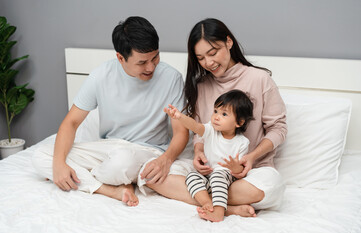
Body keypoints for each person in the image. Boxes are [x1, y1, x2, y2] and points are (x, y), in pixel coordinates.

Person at [31, 16, 190, 207]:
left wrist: (166, 159)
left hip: (147, 151)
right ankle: (111, 189)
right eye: (142, 62)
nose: (151, 67)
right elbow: (71, 122)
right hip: (109, 148)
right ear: (120, 58)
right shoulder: (100, 76)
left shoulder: (171, 78)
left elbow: (181, 132)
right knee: (41, 155)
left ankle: (92, 174)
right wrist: (58, 165)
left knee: (122, 162)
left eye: (155, 57)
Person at [183, 17, 288, 217]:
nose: (209, 62)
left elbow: (279, 129)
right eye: (201, 58)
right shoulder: (202, 86)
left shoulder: (260, 79)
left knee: (270, 187)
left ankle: (208, 199)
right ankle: (227, 207)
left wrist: (250, 158)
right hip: (213, 170)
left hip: (253, 172)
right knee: (156, 177)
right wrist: (198, 152)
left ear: (229, 42)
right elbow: (200, 131)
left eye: (213, 53)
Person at [164, 89, 254, 222]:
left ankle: (218, 213)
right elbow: (195, 126)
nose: (216, 117)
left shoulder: (242, 142)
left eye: (224, 114)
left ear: (239, 122)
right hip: (208, 174)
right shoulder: (211, 130)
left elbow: (241, 171)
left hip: (226, 177)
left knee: (218, 175)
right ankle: (207, 203)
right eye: (215, 111)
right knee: (192, 176)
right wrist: (180, 117)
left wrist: (235, 167)